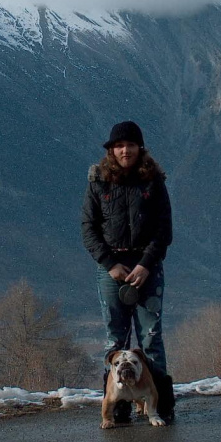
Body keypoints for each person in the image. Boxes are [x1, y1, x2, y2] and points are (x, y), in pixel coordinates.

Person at [81, 120, 175, 423]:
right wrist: (110, 264)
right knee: (115, 340)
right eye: (119, 146)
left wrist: (146, 264)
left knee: (151, 340)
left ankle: (161, 406)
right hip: (111, 270)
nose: (125, 150)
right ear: (111, 150)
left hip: (148, 268)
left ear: (140, 148)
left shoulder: (154, 182)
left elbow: (164, 230)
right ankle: (117, 407)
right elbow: (88, 229)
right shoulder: (98, 183)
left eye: (130, 145)